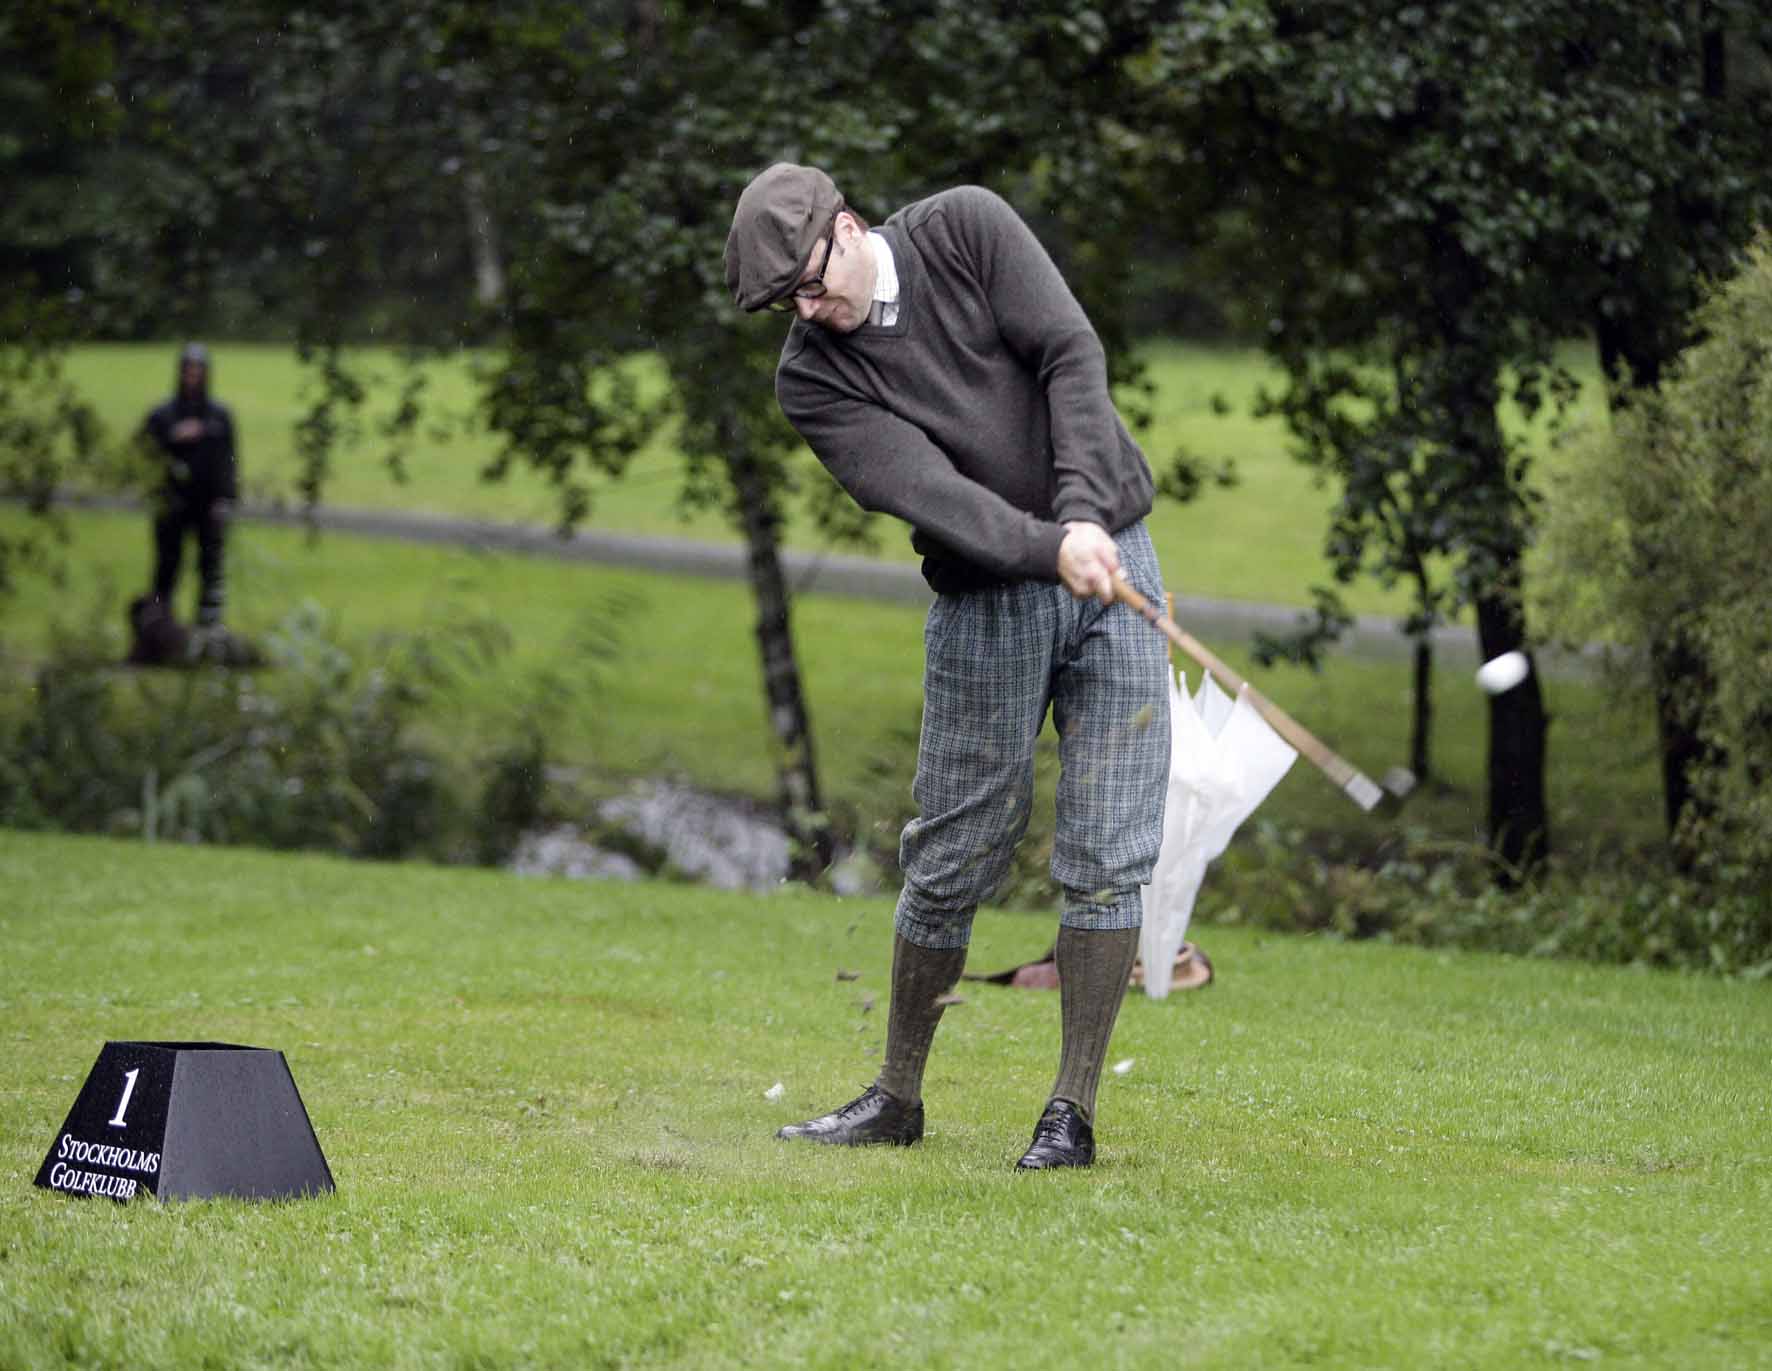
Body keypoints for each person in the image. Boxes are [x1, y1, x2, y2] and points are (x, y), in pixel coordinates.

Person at [725, 164, 1171, 1170]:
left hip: (1114, 550)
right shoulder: (812, 376)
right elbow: (920, 487)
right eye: (786, 302)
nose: (808, 309)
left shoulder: (964, 230)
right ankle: (897, 1096)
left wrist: (1087, 513)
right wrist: (1046, 542)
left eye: (810, 281)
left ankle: (1071, 1113)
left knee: (1108, 844)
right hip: (984, 598)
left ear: (847, 225)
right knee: (953, 852)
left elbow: (1068, 354)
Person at [142, 343, 238, 631]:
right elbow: (144, 454)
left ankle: (209, 627)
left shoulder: (219, 416)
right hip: (172, 501)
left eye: (198, 371)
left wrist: (226, 498)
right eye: (189, 370)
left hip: (208, 503)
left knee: (211, 566)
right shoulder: (162, 416)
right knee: (167, 564)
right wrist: (173, 437)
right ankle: (160, 625)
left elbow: (229, 460)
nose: (193, 376)